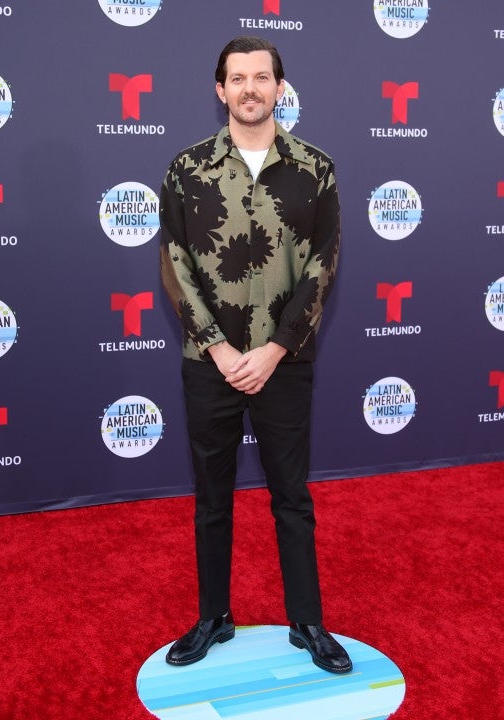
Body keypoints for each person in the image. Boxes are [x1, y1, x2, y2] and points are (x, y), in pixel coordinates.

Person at [159, 35, 352, 674]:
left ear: (279, 88)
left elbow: (323, 264)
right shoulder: (187, 169)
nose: (250, 89)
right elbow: (174, 263)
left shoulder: (315, 169)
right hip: (208, 364)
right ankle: (213, 616)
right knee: (211, 498)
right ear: (220, 90)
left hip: (284, 363)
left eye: (262, 77)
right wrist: (216, 347)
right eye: (238, 78)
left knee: (292, 497)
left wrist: (275, 347)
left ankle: (307, 621)